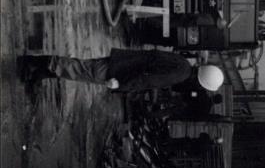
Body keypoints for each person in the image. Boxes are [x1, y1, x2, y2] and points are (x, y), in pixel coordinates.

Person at [19, 50, 224, 93]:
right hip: (118, 72)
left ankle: (39, 74)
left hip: (122, 62)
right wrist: (121, 84)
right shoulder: (179, 75)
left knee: (79, 71)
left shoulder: (183, 63)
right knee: (78, 69)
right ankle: (31, 61)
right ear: (200, 82)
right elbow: (146, 79)